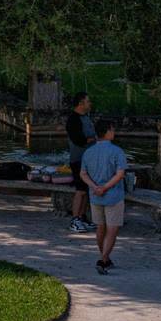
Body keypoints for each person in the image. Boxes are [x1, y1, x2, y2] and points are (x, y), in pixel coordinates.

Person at [80, 119, 128, 275]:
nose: (114, 132)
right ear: (107, 131)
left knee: (100, 227)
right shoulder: (117, 151)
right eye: (113, 129)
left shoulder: (88, 152)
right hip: (113, 195)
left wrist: (95, 187)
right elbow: (120, 174)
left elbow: (83, 174)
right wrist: (105, 187)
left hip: (95, 196)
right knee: (112, 229)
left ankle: (105, 259)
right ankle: (103, 260)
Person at [65, 92, 97, 232]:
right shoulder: (73, 119)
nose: (90, 104)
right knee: (80, 191)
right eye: (88, 101)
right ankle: (75, 220)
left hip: (88, 160)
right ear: (80, 104)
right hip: (78, 160)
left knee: (86, 190)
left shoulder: (85, 117)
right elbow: (78, 139)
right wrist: (95, 138)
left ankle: (83, 217)